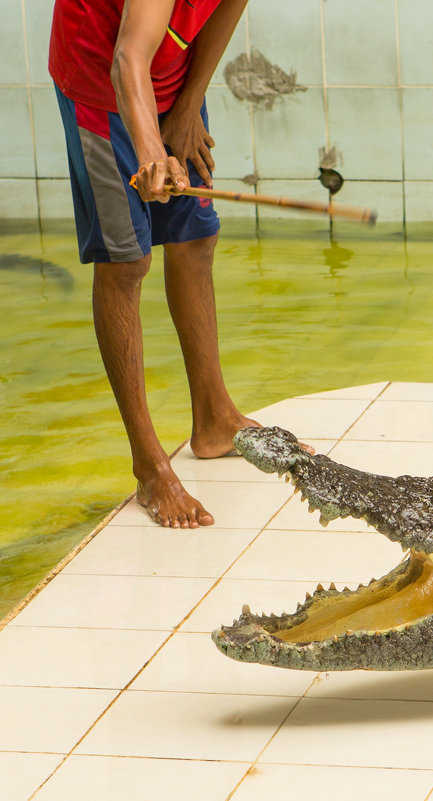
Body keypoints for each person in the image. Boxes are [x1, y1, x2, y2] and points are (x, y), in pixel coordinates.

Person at [50, 0, 253, 528]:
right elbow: (126, 60)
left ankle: (214, 420)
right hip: (101, 84)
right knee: (126, 262)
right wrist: (150, 154)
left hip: (169, 80)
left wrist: (188, 106)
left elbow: (225, 10)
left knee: (195, 239)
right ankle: (149, 465)